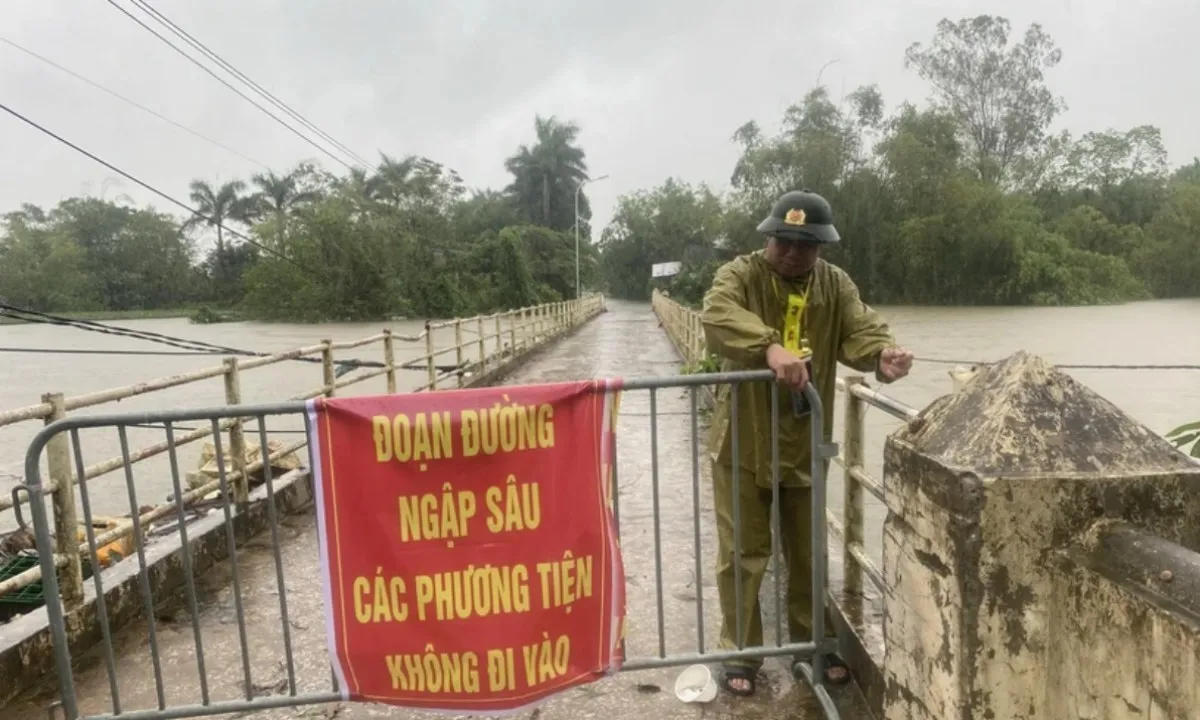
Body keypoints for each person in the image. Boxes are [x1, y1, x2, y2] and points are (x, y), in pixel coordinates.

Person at [700, 189, 913, 697]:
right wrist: (768, 346)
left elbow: (862, 328)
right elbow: (716, 315)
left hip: (805, 441)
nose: (793, 252)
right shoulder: (740, 275)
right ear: (769, 237)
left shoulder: (834, 284)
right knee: (744, 551)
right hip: (743, 442)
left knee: (809, 550)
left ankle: (811, 643)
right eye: (784, 241)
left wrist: (882, 356)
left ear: (822, 248)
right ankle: (742, 654)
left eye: (806, 244)